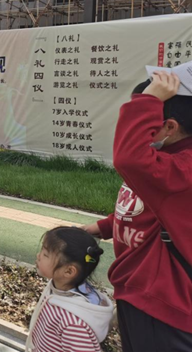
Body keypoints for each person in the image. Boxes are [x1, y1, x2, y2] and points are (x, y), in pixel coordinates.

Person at [83, 70, 192, 351]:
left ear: (170, 127)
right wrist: (104, 227)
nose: (139, 130)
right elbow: (149, 211)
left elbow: (129, 159)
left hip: (161, 306)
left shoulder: (182, 169)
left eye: (148, 119)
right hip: (142, 295)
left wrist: (148, 99)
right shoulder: (169, 162)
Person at [27, 226, 113, 352]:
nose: (38, 255)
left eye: (45, 254)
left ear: (68, 271)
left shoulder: (73, 323)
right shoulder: (59, 289)